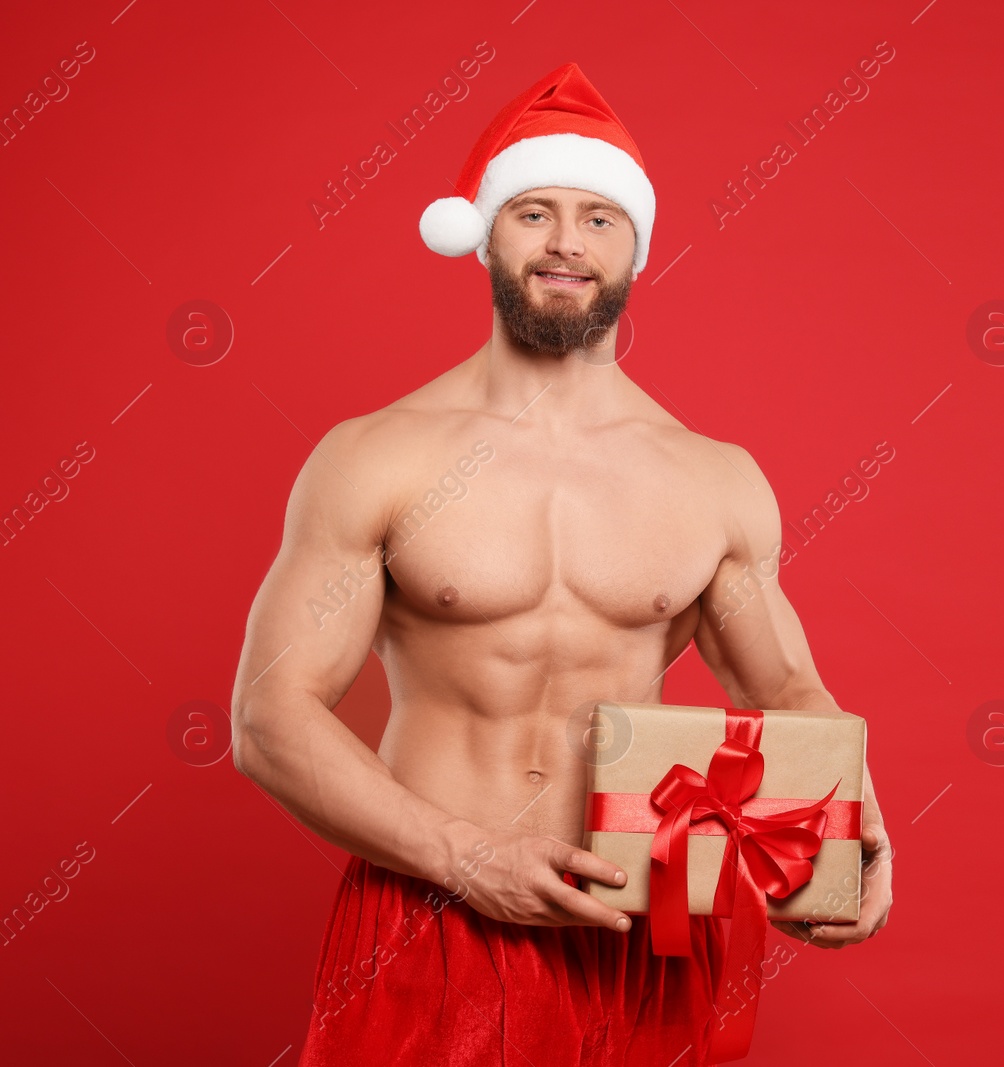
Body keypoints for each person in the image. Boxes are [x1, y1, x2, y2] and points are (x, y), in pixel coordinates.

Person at [230, 62, 893, 1066]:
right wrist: (466, 856)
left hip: (647, 935)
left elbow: (783, 684)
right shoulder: (375, 456)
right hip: (433, 913)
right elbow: (269, 719)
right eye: (534, 213)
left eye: (598, 219)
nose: (565, 244)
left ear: (637, 247)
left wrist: (856, 834)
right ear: (485, 232)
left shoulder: (712, 478)